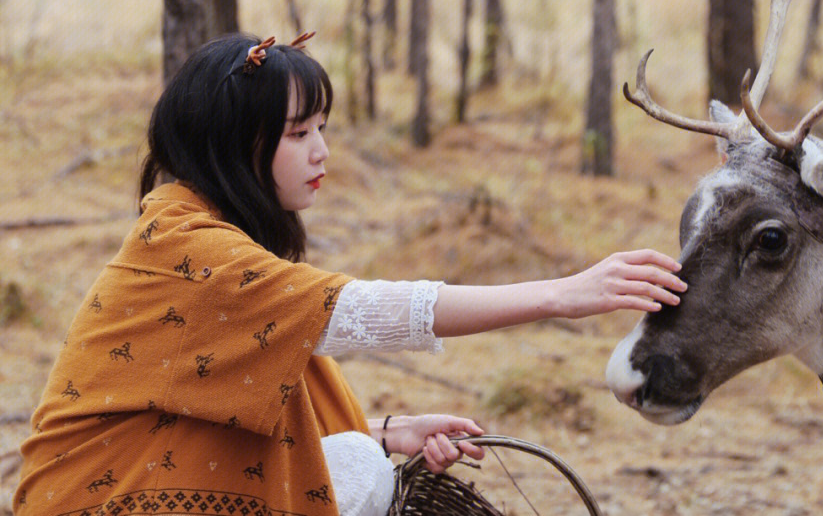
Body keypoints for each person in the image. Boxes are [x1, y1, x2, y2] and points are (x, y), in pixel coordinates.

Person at [15, 33, 684, 516]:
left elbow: (218, 415)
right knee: (360, 474)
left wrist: (389, 432)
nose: (322, 151)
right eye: (298, 132)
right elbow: (351, 312)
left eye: (322, 127)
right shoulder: (191, 249)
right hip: (95, 500)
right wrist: (560, 294)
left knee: (362, 461)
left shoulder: (195, 229)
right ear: (234, 142)